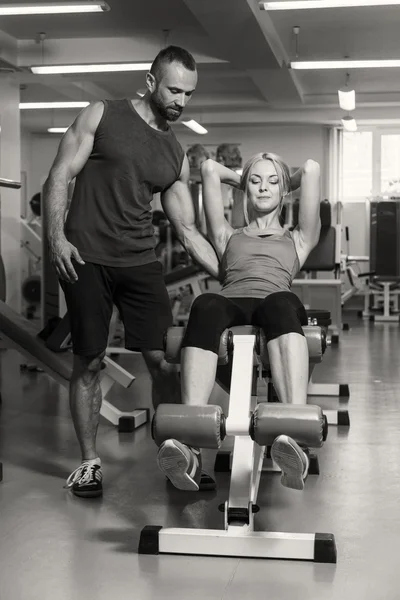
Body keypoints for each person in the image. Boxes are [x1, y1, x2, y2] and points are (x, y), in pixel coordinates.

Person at [43, 45, 220, 498]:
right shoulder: (102, 115)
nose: (181, 101)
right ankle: (89, 463)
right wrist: (57, 239)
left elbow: (187, 229)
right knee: (90, 360)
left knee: (162, 359)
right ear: (150, 81)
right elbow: (60, 174)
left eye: (189, 93)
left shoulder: (175, 154)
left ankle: (177, 455)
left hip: (140, 262)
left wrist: (230, 274)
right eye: (174, 90)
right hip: (87, 257)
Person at [157, 152, 321, 492]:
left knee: (280, 304)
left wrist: (282, 179)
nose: (264, 188)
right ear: (246, 189)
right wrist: (246, 177)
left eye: (273, 182)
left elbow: (310, 169)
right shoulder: (226, 235)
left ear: (285, 191)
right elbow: (208, 169)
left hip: (276, 301)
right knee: (205, 303)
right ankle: (190, 447)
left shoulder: (299, 236)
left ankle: (294, 439)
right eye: (256, 182)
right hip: (231, 300)